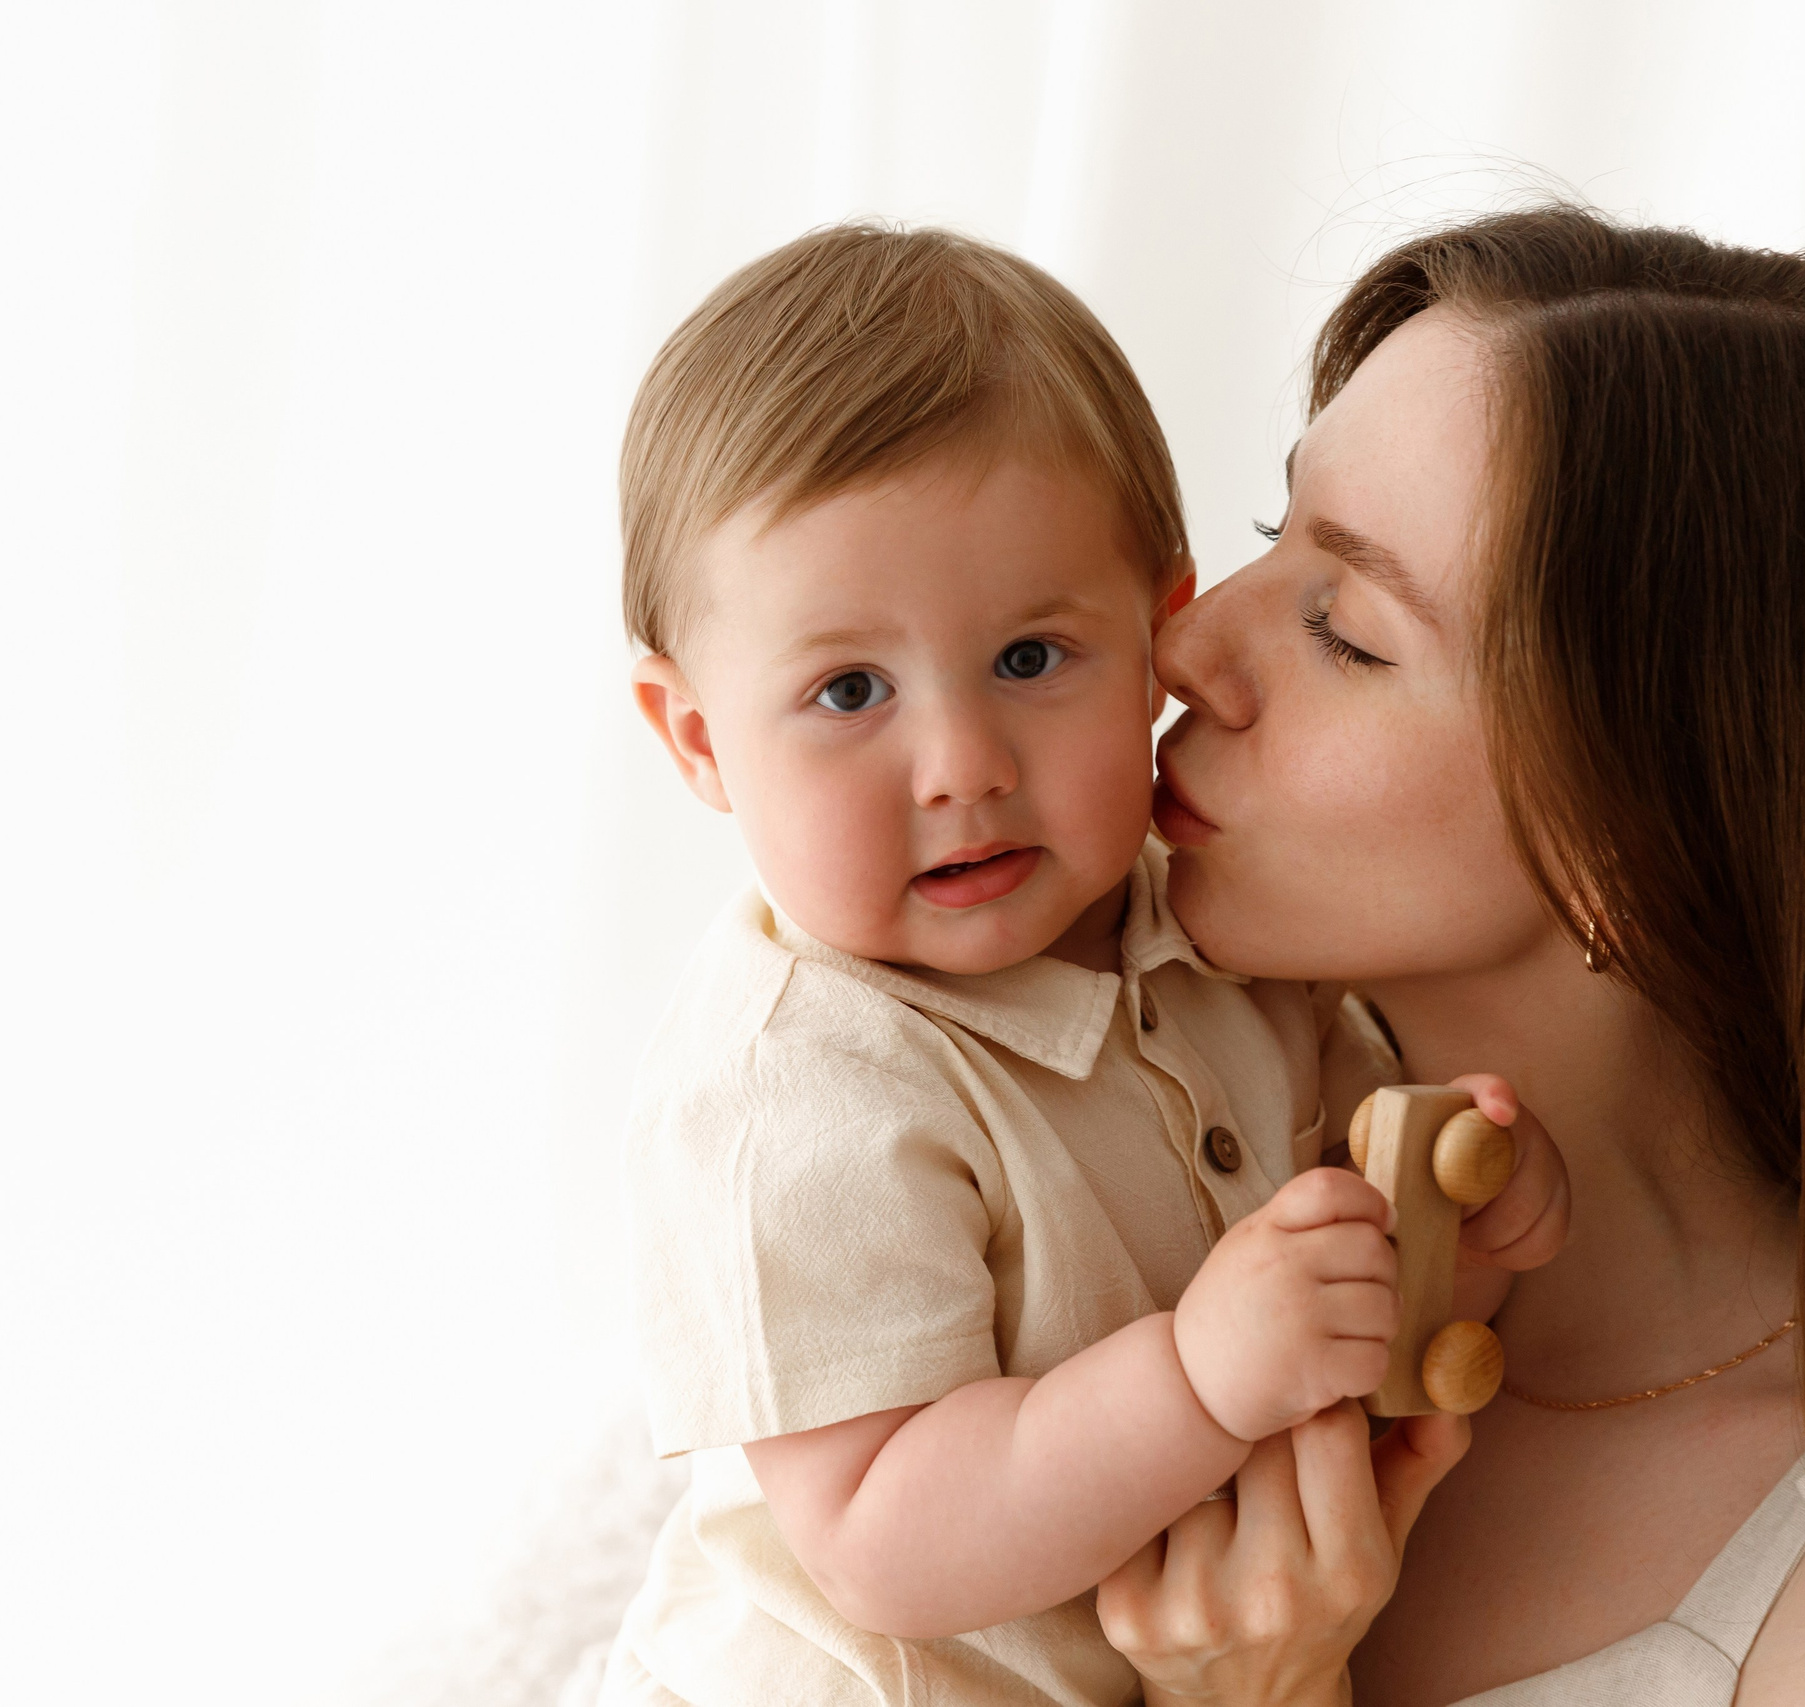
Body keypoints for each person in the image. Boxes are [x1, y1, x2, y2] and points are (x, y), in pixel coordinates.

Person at [1100, 206, 1805, 1705]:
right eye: (1276, 538)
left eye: (1345, 627)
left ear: (1639, 843)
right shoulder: (1146, 1189)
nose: (1183, 651)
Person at [596, 223, 1566, 1707]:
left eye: (1034, 660)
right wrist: (1193, 1380)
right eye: (850, 691)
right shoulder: (794, 1083)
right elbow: (880, 1539)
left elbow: (1339, 1296)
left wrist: (1454, 1247)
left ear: (1158, 632)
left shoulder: (1229, 938)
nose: (961, 766)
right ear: (702, 742)